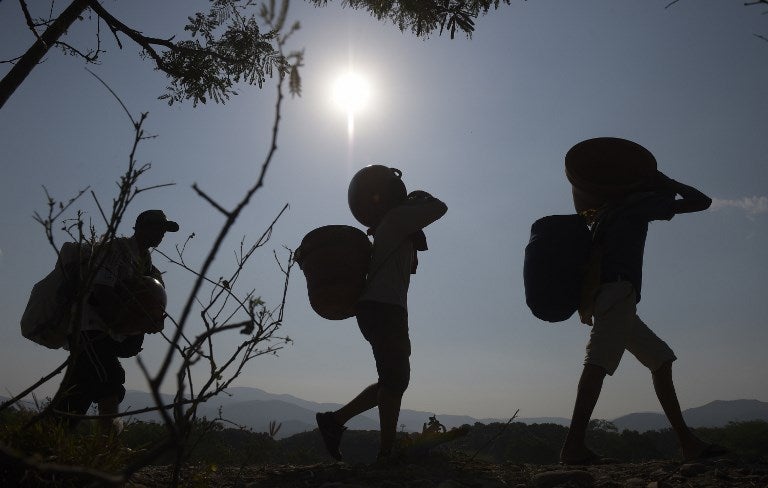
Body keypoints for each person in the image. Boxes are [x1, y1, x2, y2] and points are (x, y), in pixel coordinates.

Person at [559, 170, 725, 464]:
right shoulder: (634, 206)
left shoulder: (605, 214)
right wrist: (667, 181)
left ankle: (688, 443)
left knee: (660, 359)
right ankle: (573, 446)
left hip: (610, 296)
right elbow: (701, 201)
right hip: (618, 292)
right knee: (597, 361)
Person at [316, 166, 447, 462]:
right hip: (384, 307)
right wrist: (417, 196)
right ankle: (381, 450)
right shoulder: (398, 219)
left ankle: (338, 424)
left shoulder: (391, 225)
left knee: (392, 379)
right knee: (395, 380)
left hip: (382, 308)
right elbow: (439, 207)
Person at [54, 210, 178, 432]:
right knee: (110, 379)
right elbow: (102, 291)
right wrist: (129, 320)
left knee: (80, 390)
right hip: (89, 328)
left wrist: (149, 322)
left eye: (163, 230)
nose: (161, 234)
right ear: (141, 227)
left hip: (109, 334)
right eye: (157, 228)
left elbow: (150, 307)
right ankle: (107, 444)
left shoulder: (148, 266)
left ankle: (46, 441)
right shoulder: (115, 250)